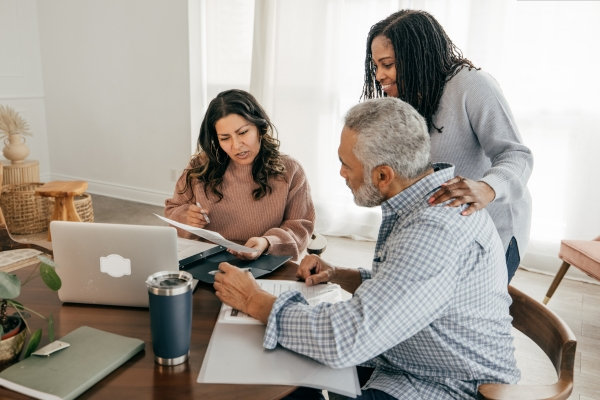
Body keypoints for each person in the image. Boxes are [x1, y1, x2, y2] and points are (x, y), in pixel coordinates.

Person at [213, 97, 520, 399]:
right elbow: (402, 286)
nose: (342, 174)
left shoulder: (434, 231)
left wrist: (254, 301)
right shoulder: (424, 202)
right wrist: (340, 275)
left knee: (284, 384)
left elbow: (344, 341)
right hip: (410, 360)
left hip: (446, 386)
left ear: (382, 175)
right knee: (291, 363)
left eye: (346, 165)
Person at [362, 9, 533, 282]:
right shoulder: (406, 97)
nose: (380, 75)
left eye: (388, 64)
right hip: (442, 233)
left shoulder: (471, 85)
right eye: (376, 66)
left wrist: (486, 188)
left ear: (416, 57)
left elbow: (516, 155)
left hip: (491, 230)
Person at [165, 89, 315, 261]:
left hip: (265, 260)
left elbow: (300, 227)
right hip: (207, 260)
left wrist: (267, 242)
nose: (236, 146)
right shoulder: (199, 167)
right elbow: (172, 210)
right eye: (225, 138)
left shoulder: (291, 170)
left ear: (260, 127)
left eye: (243, 132)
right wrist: (186, 217)